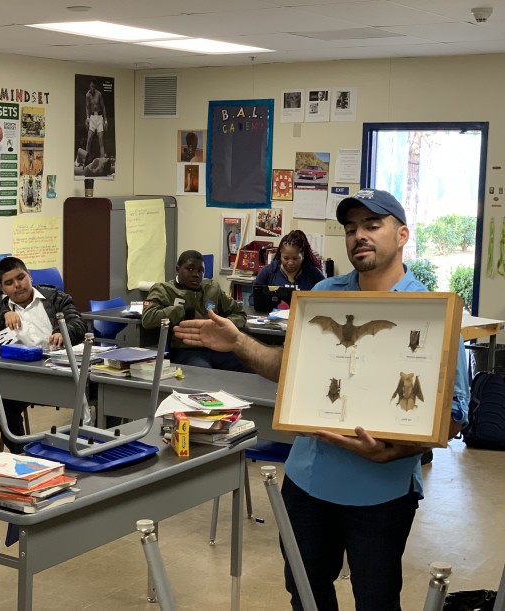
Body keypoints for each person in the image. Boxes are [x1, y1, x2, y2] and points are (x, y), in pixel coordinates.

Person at [174, 189, 470, 611]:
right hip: (308, 483)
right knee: (306, 594)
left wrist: (395, 451)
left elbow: (452, 417)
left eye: (372, 225)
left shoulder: (430, 311)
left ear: (402, 234)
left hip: (380, 493)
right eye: (351, 229)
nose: (358, 236)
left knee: (376, 598)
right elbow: (292, 368)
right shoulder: (324, 296)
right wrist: (238, 341)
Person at [0, 257, 86, 453]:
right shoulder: (0, 311)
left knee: (100, 395)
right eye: (9, 283)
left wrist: (62, 332)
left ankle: (89, 446)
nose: (17, 285)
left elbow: (78, 324)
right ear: (2, 288)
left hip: (64, 374)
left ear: (29, 276)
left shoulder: (57, 298)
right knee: (2, 402)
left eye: (20, 278)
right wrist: (2, 317)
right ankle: (22, 453)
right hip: (26, 377)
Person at [142, 250, 249, 372]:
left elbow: (239, 313)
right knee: (204, 374)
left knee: (252, 369)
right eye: (190, 269)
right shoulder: (163, 290)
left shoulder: (212, 288)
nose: (196, 275)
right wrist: (184, 311)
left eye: (200, 271)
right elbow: (148, 318)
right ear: (178, 269)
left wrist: (221, 326)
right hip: (187, 350)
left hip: (218, 347)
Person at [250, 229, 326, 305]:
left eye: (295, 258)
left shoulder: (313, 274)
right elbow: (253, 300)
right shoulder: (268, 272)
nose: (290, 263)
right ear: (280, 254)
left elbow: (326, 300)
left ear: (302, 255)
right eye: (286, 258)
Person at [84, 78, 107, 163]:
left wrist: (106, 120)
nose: (92, 88)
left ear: (95, 86)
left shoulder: (99, 94)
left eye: (93, 86)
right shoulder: (87, 95)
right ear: (90, 86)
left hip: (100, 117)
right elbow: (87, 107)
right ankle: (86, 161)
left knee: (101, 140)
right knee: (89, 139)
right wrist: (87, 118)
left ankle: (103, 162)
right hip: (92, 118)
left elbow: (103, 107)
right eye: (91, 86)